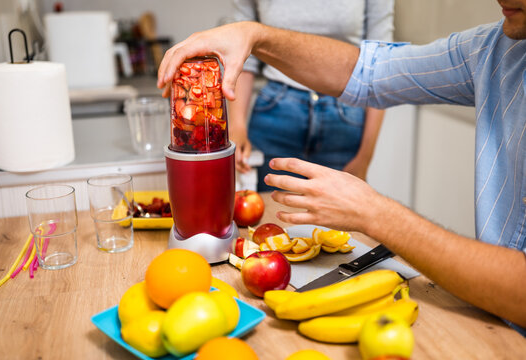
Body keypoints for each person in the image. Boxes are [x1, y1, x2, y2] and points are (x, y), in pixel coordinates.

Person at [157, 0, 526, 331]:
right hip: (492, 324)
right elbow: (371, 71)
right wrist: (254, 35)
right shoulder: (495, 49)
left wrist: (375, 213)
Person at [228, 0, 393, 190]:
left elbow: (380, 65)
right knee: (274, 215)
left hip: (344, 118)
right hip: (277, 113)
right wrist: (237, 125)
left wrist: (365, 156)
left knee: (339, 217)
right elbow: (244, 54)